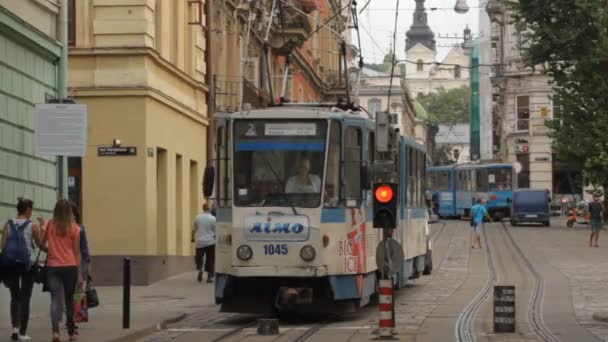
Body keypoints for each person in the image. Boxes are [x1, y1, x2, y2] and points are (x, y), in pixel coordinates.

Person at [38, 199, 83, 342]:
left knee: (55, 300)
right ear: (70, 211)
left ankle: (55, 333)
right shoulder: (75, 227)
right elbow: (77, 252)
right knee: (69, 300)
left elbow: (41, 243)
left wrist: (48, 249)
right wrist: (80, 274)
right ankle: (71, 333)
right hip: (70, 266)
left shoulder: (50, 224)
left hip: (53, 267)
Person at [1, 198, 44, 341]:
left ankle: (14, 328)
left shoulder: (8, 224)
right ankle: (22, 332)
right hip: (27, 266)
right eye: (31, 210)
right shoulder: (33, 226)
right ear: (28, 210)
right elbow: (40, 245)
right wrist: (43, 226)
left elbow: (3, 246)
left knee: (15, 297)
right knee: (25, 299)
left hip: (10, 265)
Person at [192, 203, 216, 283]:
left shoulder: (197, 217)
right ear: (209, 209)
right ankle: (209, 277)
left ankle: (200, 269)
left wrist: (192, 238)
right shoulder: (213, 218)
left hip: (200, 242)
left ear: (203, 208)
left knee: (199, 258)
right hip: (210, 242)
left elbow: (194, 229)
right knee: (210, 259)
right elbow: (215, 231)